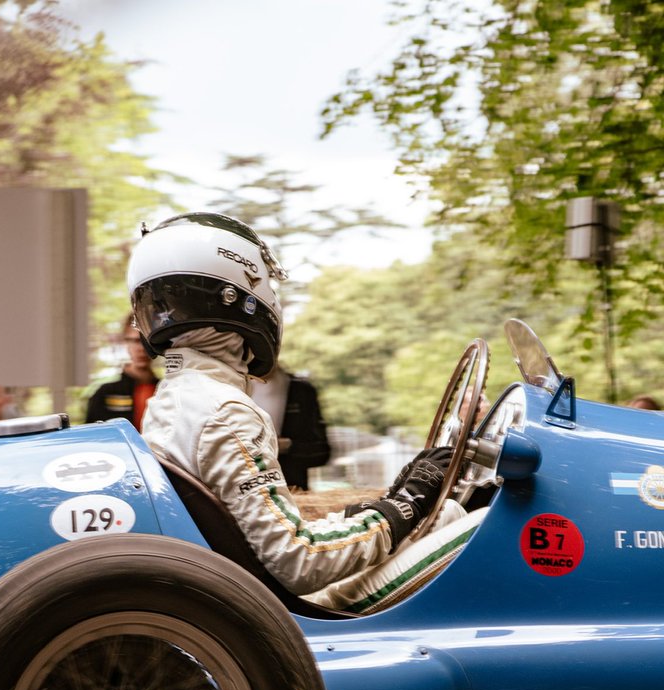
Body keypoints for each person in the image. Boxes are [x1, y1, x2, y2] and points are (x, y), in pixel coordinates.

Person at [128, 212, 484, 615]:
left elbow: (265, 533)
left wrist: (390, 503)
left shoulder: (173, 400)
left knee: (446, 514)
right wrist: (406, 504)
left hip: (242, 594)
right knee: (482, 522)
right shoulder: (225, 411)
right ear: (236, 294)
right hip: (290, 610)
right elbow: (298, 560)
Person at [250, 366, 330, 489]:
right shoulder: (232, 389)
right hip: (248, 485)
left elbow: (321, 452)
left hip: (291, 487)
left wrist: (288, 445)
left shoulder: (300, 391)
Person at [85, 314, 157, 431]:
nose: (142, 348)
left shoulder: (164, 389)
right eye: (136, 341)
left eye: (147, 341)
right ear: (125, 342)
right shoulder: (105, 393)